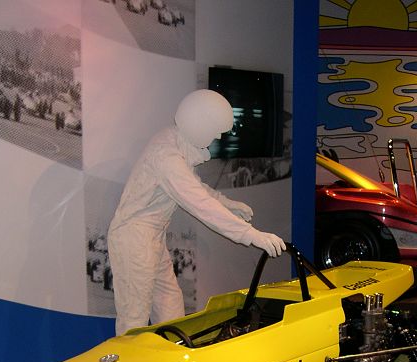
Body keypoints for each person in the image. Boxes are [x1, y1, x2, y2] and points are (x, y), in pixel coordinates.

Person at [107, 89, 286, 335]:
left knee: (170, 308)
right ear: (200, 125)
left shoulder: (174, 142)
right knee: (133, 320)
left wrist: (228, 204)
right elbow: (199, 203)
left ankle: (171, 357)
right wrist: (251, 234)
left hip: (149, 237)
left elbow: (196, 187)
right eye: (214, 131)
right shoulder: (166, 156)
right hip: (134, 238)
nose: (216, 138)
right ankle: (127, 361)